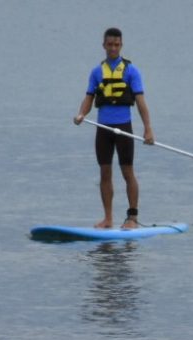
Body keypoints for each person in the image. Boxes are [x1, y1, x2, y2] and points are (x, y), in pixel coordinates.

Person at [73, 27, 155, 229]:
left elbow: (141, 102)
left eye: (116, 45)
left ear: (121, 45)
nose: (113, 48)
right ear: (104, 45)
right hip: (103, 128)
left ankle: (132, 217)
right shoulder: (96, 72)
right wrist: (81, 115)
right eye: (109, 44)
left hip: (123, 127)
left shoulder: (131, 71)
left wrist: (148, 129)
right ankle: (108, 218)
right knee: (105, 172)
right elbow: (89, 98)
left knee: (127, 172)